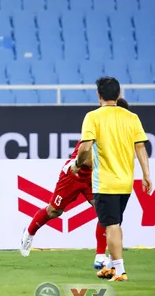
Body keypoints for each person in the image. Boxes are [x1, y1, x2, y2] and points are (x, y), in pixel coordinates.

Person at [20, 98, 131, 269]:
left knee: (105, 214)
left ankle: (100, 256)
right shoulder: (97, 125)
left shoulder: (121, 134)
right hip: (74, 174)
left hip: (94, 178)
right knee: (53, 211)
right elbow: (86, 159)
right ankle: (29, 232)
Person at [76, 77, 151, 282]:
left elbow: (85, 147)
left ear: (99, 95)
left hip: (105, 182)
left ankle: (119, 271)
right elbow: (141, 147)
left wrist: (77, 164)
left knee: (111, 226)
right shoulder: (131, 117)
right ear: (118, 95)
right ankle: (110, 266)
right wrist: (146, 175)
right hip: (126, 182)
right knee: (114, 224)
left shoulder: (93, 117)